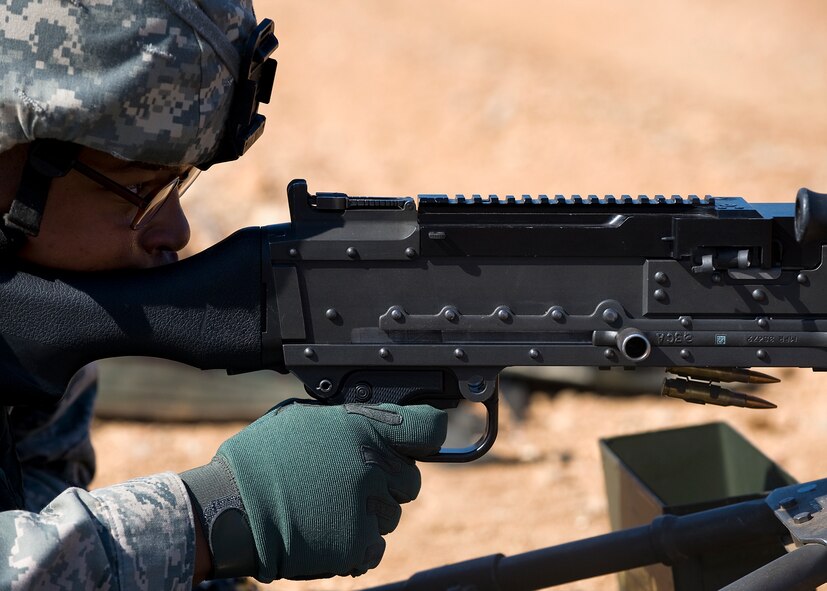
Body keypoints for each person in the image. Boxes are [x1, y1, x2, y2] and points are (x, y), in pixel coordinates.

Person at [0, 1, 447, 589]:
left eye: (180, 184)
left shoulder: (34, 313)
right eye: (140, 190)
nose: (177, 232)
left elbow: (33, 492)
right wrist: (211, 519)